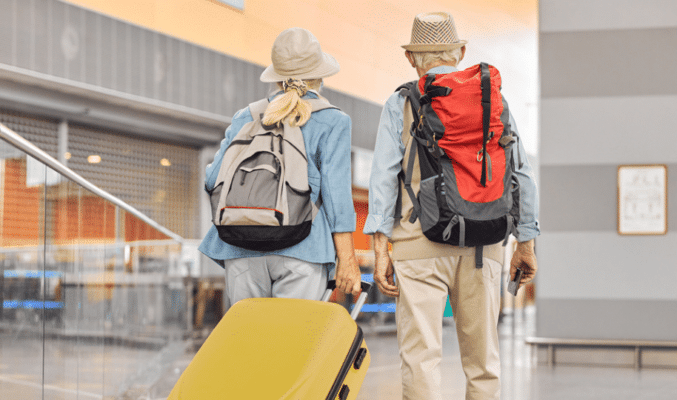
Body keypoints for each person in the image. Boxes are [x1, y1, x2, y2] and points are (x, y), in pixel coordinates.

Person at [363, 12, 540, 400]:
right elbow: (521, 173)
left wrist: (381, 248)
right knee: (483, 361)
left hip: (418, 241)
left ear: (411, 58)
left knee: (420, 356)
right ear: (460, 51)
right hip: (485, 242)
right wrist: (525, 243)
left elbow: (382, 177)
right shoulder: (494, 100)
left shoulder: (401, 101)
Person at [199, 28, 362, 308]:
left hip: (240, 248)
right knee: (293, 346)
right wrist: (347, 261)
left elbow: (213, 178)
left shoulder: (246, 116)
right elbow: (337, 198)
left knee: (250, 343)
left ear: (276, 76)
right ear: (319, 76)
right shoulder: (333, 120)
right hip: (303, 249)